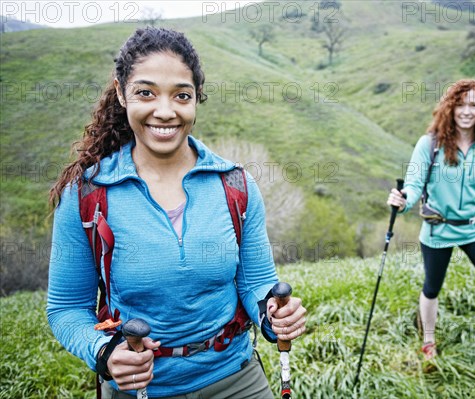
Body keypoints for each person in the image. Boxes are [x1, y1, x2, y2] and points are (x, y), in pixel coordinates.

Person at [47, 27, 306, 398]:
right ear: (121, 94)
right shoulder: (88, 194)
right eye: (145, 93)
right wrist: (105, 353)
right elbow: (67, 308)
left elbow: (254, 284)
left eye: (181, 95)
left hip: (235, 377)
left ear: (196, 99)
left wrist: (272, 315)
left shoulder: (236, 185)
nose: (165, 111)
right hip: (139, 388)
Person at [387, 79, 475, 375]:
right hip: (438, 230)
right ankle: (428, 340)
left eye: (474, 105)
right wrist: (403, 201)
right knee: (432, 287)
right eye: (461, 104)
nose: (466, 111)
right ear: (450, 107)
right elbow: (413, 185)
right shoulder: (430, 144)